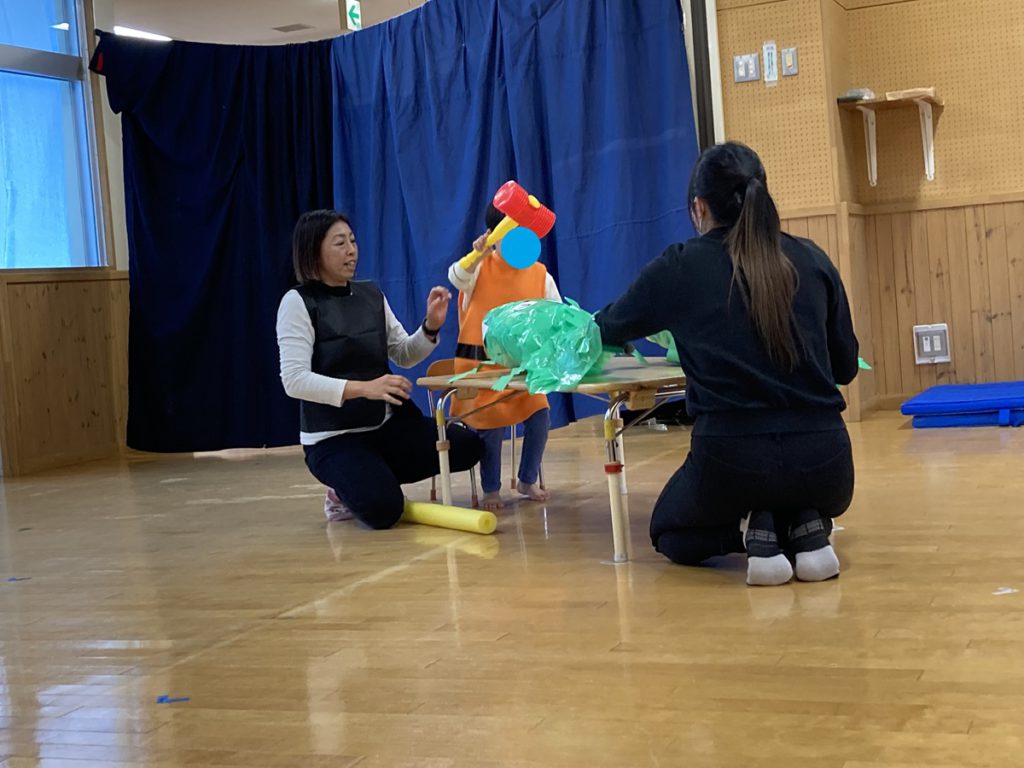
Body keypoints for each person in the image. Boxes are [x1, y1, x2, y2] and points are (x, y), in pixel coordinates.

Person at [595, 142, 859, 586]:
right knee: (790, 484)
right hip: (827, 466)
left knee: (668, 532)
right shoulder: (813, 259)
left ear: (699, 208)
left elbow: (608, 326)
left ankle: (753, 531)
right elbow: (845, 368)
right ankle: (805, 525)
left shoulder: (680, 267)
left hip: (732, 463)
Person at [276, 209, 483, 529]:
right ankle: (344, 490)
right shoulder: (297, 302)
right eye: (340, 243)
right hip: (333, 438)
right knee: (383, 511)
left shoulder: (371, 293)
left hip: (387, 426)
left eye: (353, 241)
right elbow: (294, 380)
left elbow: (404, 353)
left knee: (469, 447)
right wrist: (364, 388)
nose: (351, 250)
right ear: (314, 250)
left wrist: (430, 326)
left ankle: (371, 476)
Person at [448, 203, 561, 510]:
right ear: (495, 234)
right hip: (480, 370)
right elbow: (456, 276)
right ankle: (491, 489)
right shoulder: (478, 267)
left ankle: (527, 479)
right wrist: (476, 255)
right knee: (491, 423)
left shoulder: (540, 274)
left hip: (521, 371)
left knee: (540, 415)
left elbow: (556, 313)